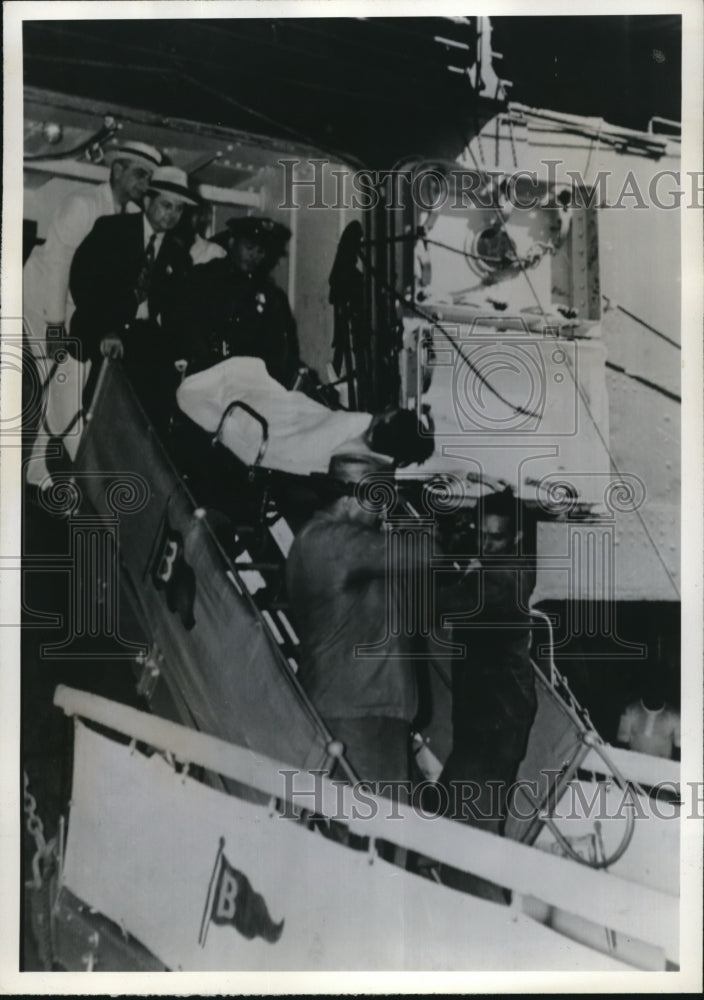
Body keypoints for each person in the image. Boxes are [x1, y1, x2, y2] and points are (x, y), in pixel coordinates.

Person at [286, 453, 431, 792]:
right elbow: (427, 553)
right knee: (375, 834)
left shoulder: (337, 543)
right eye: (379, 502)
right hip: (359, 715)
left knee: (377, 832)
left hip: (366, 712)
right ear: (354, 497)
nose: (383, 513)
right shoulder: (331, 541)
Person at [23, 140, 163, 488]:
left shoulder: (128, 221)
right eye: (139, 174)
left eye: (149, 177)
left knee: (64, 391)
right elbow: (58, 264)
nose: (144, 184)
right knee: (37, 386)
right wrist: (55, 327)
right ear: (116, 170)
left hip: (75, 315)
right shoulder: (83, 205)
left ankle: (37, 468)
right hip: (38, 304)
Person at [436, 488, 537, 901]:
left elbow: (441, 606)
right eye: (481, 534)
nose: (485, 544)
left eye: (495, 538)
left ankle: (490, 915)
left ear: (515, 539)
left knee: (472, 827)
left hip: (493, 722)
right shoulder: (499, 568)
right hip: (492, 717)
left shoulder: (499, 578)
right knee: (449, 815)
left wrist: (443, 549)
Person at [69, 165, 197, 433]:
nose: (172, 215)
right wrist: (105, 329)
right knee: (101, 414)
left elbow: (180, 313)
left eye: (179, 209)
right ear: (148, 200)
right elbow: (83, 282)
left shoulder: (178, 255)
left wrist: (181, 354)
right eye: (166, 205)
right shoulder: (112, 230)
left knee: (148, 419)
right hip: (105, 332)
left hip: (145, 338)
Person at [176, 355, 434, 475]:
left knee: (244, 374)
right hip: (277, 452)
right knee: (260, 375)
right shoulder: (372, 463)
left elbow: (311, 426)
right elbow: (318, 422)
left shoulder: (359, 423)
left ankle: (192, 376)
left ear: (389, 418)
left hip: (269, 431)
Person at [184, 215, 301, 387]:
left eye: (261, 251)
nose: (254, 256)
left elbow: (280, 350)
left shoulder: (271, 295)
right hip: (207, 378)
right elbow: (188, 328)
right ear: (232, 242)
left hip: (252, 384)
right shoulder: (204, 278)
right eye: (249, 247)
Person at [616, 671, 680, 760]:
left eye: (659, 687)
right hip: (632, 765)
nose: (654, 691)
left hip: (662, 768)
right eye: (651, 686)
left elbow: (679, 750)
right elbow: (621, 744)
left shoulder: (675, 716)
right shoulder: (629, 711)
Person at [172, 198, 227, 266]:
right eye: (179, 210)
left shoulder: (213, 251)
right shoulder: (162, 246)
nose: (185, 217)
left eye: (190, 212)